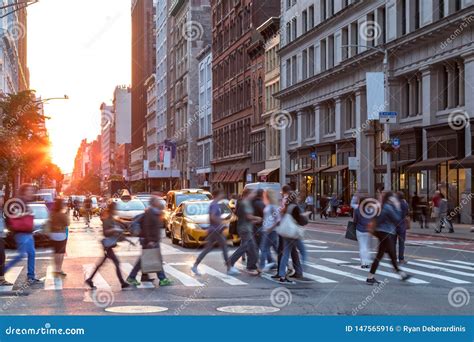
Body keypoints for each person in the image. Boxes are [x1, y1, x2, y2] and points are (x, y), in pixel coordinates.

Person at [366, 192, 411, 285]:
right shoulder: (388, 207)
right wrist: (398, 207)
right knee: (390, 254)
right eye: (393, 197)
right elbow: (397, 218)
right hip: (386, 233)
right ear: (390, 198)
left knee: (382, 255)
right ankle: (401, 274)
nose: (395, 199)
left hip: (384, 233)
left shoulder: (385, 206)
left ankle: (370, 277)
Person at [191, 189, 239, 276]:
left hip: (213, 230)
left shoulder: (214, 204)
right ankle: (229, 268)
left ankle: (195, 266)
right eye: (221, 193)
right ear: (218, 195)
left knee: (208, 249)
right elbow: (212, 216)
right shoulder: (214, 205)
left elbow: (213, 217)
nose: (223, 195)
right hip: (216, 230)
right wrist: (220, 222)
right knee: (224, 247)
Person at [127, 196, 172, 286]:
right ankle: (162, 279)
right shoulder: (150, 213)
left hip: (152, 240)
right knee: (154, 259)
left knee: (148, 259)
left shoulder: (154, 212)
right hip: (150, 240)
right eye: (157, 201)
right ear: (153, 203)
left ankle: (133, 277)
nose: (159, 202)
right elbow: (147, 227)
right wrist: (150, 240)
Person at [85, 202, 130, 289]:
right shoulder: (107, 219)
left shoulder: (112, 218)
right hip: (107, 246)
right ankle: (122, 283)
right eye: (115, 209)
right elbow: (105, 233)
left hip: (108, 245)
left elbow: (121, 225)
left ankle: (90, 279)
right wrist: (114, 229)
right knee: (116, 263)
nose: (116, 210)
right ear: (112, 209)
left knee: (101, 264)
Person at [5, 184, 42, 284]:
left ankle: (31, 276)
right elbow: (12, 215)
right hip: (21, 233)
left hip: (28, 233)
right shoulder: (18, 201)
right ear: (24, 191)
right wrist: (26, 214)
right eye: (29, 190)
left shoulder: (25, 202)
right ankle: (3, 270)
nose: (31, 193)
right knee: (21, 255)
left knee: (31, 253)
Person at [276, 191, 308, 283]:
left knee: (285, 254)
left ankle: (282, 275)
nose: (298, 198)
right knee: (303, 252)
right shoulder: (295, 208)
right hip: (294, 234)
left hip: (286, 234)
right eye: (297, 197)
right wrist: (305, 216)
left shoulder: (286, 207)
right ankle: (304, 269)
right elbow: (300, 221)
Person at [228, 189, 262, 275]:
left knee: (250, 247)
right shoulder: (245, 203)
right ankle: (231, 262)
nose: (254, 195)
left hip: (245, 228)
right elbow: (248, 216)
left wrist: (254, 221)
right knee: (247, 247)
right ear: (248, 194)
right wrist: (257, 218)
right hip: (245, 229)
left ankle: (252, 266)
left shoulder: (242, 202)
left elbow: (243, 216)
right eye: (252, 193)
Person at [258, 189, 280, 272]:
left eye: (265, 194)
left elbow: (278, 219)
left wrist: (270, 228)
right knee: (275, 249)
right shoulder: (268, 205)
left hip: (270, 231)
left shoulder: (273, 206)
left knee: (264, 248)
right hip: (267, 230)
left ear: (268, 195)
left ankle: (261, 267)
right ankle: (287, 265)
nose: (264, 195)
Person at [48, 198, 70, 277]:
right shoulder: (62, 214)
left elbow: (49, 222)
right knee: (61, 253)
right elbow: (68, 223)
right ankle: (59, 269)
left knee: (55, 252)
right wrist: (67, 214)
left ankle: (55, 269)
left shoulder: (52, 214)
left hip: (52, 234)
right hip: (61, 234)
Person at [353, 195, 372, 268]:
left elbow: (355, 220)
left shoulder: (357, 210)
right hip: (368, 229)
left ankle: (363, 263)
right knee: (367, 247)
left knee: (362, 246)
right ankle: (367, 262)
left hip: (360, 229)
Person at [0, 194, 12, 286]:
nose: (2, 200)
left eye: (3, 198)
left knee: (2, 257)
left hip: (1, 236)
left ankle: (1, 278)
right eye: (1, 198)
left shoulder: (3, 210)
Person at [395, 192, 409, 264]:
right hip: (402, 225)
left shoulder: (394, 204)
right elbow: (407, 212)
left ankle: (393, 258)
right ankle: (401, 259)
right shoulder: (404, 204)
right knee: (401, 243)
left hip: (394, 225)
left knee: (393, 243)